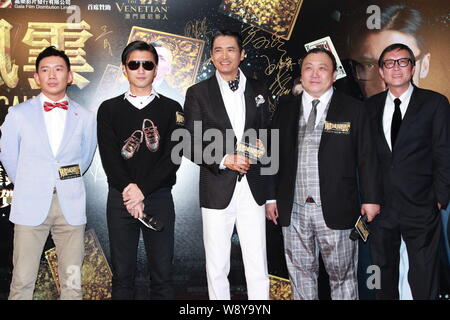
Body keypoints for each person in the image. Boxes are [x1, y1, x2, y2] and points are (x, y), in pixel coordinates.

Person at [266, 47, 381, 300]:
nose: (315, 74)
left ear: (333, 75)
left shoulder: (353, 109)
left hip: (337, 206)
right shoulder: (285, 107)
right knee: (300, 274)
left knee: (343, 276)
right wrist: (271, 198)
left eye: (322, 68)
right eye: (308, 68)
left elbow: (367, 157)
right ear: (301, 74)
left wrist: (371, 199)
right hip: (293, 209)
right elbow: (271, 155)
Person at [0, 46, 97, 299]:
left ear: (70, 75)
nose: (52, 75)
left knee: (73, 283)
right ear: (36, 77)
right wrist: (31, 184)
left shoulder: (85, 117)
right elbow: (8, 156)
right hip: (30, 205)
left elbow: (85, 158)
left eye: (58, 69)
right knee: (22, 281)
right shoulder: (18, 114)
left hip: (71, 207)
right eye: (45, 70)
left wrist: (63, 181)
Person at [183, 30, 272, 300]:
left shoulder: (260, 89)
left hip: (253, 188)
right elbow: (188, 142)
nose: (224, 55)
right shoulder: (198, 92)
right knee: (217, 265)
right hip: (216, 187)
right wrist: (224, 159)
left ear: (242, 54)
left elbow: (269, 133)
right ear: (211, 56)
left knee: (258, 263)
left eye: (231, 49)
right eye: (218, 50)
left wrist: (265, 147)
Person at [97, 41, 182, 299]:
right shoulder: (109, 108)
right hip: (120, 198)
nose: (141, 69)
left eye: (148, 64)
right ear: (125, 69)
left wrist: (142, 190)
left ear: (156, 70)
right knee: (122, 276)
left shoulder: (172, 108)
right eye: (134, 64)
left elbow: (173, 158)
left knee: (162, 276)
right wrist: (130, 190)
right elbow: (109, 158)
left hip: (158, 197)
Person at [365, 43, 450, 300]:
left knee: (424, 276)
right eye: (389, 63)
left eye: (403, 61)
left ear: (413, 68)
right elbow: (366, 158)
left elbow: (444, 152)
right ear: (381, 72)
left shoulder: (435, 103)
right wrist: (369, 197)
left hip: (422, 205)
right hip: (382, 207)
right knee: (383, 273)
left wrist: (439, 198)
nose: (396, 68)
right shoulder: (369, 107)